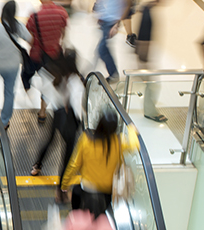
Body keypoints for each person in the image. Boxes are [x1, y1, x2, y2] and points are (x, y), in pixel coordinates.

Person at [30, 51, 85, 203]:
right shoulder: (76, 82)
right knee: (66, 157)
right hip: (71, 120)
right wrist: (81, 122)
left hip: (58, 114)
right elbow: (77, 107)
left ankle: (37, 165)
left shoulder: (55, 76)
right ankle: (61, 191)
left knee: (50, 140)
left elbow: (43, 86)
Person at [61, 112, 140, 213]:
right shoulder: (118, 142)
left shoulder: (86, 140)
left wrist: (65, 184)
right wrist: (131, 129)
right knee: (101, 214)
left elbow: (74, 164)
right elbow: (135, 145)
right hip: (107, 190)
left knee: (77, 193)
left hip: (87, 187)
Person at [0, 0, 32, 129]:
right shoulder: (18, 27)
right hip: (13, 65)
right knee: (9, 92)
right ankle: (4, 121)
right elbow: (31, 40)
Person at [26, 0, 68, 123]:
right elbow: (63, 33)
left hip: (37, 56)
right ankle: (43, 111)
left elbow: (30, 38)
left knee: (27, 74)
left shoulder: (34, 16)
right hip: (54, 55)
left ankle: (28, 92)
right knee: (48, 82)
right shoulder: (62, 13)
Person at [132, 0, 166, 123]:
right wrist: (144, 57)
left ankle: (112, 93)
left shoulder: (147, 8)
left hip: (143, 53)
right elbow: (143, 36)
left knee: (140, 81)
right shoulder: (148, 11)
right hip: (143, 54)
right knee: (152, 84)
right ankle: (150, 112)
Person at [93, 0, 130, 82]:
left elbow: (127, 5)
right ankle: (92, 75)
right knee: (101, 50)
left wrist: (117, 23)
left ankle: (114, 74)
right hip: (105, 21)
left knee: (102, 49)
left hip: (111, 22)